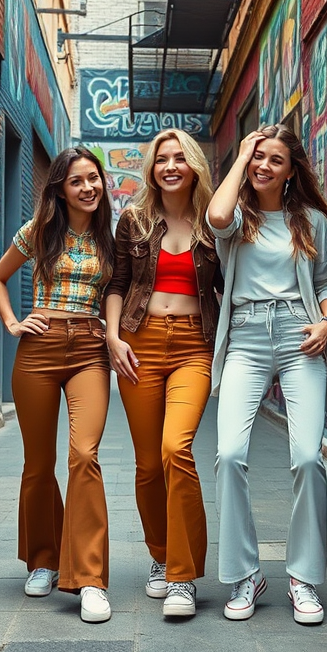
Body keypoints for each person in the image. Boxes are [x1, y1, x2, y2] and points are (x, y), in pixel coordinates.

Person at [208, 124, 327, 625]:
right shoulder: (237, 216)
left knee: (309, 456)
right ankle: (246, 574)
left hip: (298, 335)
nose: (264, 166)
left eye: (275, 160)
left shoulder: (311, 220)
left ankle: (303, 576)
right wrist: (242, 155)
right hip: (245, 337)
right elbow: (216, 214)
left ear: (292, 172)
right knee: (228, 454)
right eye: (258, 158)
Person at [0, 147, 116, 623]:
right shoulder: (40, 231)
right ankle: (43, 559)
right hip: (38, 349)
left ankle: (89, 579)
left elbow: (118, 292)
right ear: (60, 188)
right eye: (77, 181)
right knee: (38, 463)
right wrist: (13, 322)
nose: (88, 187)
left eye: (94, 178)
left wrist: (112, 329)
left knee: (84, 454)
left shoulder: (112, 235)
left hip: (88, 350)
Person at [104, 129, 221, 618]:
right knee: (149, 464)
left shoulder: (216, 222)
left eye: (179, 158)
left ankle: (183, 576)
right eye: (161, 160)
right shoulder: (134, 220)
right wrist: (112, 338)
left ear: (194, 165)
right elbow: (118, 282)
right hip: (139, 343)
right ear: (152, 169)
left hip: (195, 344)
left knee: (178, 448)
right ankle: (159, 554)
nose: (170, 166)